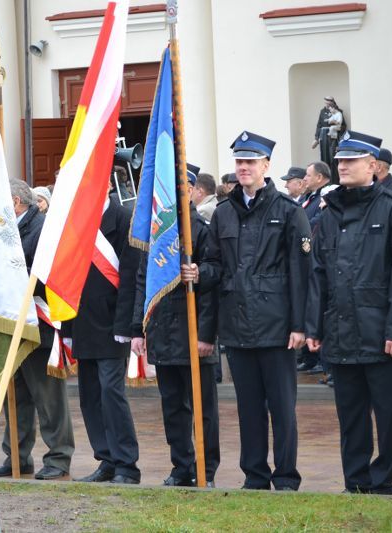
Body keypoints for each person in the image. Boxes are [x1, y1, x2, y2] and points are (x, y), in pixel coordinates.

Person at [182, 131, 311, 491]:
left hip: (276, 325)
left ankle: (286, 476)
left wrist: (300, 325)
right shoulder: (224, 214)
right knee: (248, 408)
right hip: (237, 326)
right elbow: (216, 268)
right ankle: (255, 475)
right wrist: (199, 273)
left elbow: (301, 274)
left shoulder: (287, 212)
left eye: (251, 162)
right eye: (239, 162)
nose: (244, 168)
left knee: (282, 409)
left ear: (266, 166)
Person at [305, 131, 392, 494]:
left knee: (388, 415)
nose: (343, 165)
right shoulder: (329, 213)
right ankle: (355, 480)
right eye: (340, 160)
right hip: (340, 331)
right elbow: (319, 274)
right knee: (351, 416)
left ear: (373, 166)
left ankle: (383, 479)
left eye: (351, 160)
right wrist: (315, 327)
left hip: (381, 333)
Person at [132, 163, 220, 488]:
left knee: (203, 409)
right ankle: (181, 466)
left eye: (180, 188)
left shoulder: (201, 228)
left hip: (193, 332)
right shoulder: (156, 234)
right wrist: (137, 327)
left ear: (192, 191)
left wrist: (207, 334)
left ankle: (205, 470)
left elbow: (215, 276)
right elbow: (142, 282)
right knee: (173, 408)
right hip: (162, 332)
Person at [0, 179, 75, 480]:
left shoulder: (42, 229)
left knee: (48, 398)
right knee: (16, 396)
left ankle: (59, 457)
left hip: (39, 324)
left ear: (14, 202)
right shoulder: (4, 232)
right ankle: (17, 456)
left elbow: (47, 275)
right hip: (12, 324)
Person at [62, 188, 141, 485]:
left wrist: (126, 326)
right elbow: (67, 276)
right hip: (83, 323)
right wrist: (67, 329)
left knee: (111, 394)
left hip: (112, 324)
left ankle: (126, 464)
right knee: (90, 397)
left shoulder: (122, 218)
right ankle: (106, 459)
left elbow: (131, 276)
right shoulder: (77, 220)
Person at [296, 161, 335, 376]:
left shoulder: (328, 195)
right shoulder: (309, 198)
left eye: (308, 175)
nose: (305, 179)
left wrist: (304, 228)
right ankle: (313, 359)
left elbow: (317, 221)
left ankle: (323, 361)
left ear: (320, 177)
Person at [312, 97, 346, 182]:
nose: (327, 105)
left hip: (334, 137)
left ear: (332, 103)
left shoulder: (339, 112)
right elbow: (319, 125)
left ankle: (335, 180)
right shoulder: (322, 111)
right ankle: (326, 181)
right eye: (325, 103)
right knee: (324, 157)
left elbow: (343, 126)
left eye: (328, 103)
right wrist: (316, 138)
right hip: (324, 135)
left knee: (333, 158)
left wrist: (339, 132)